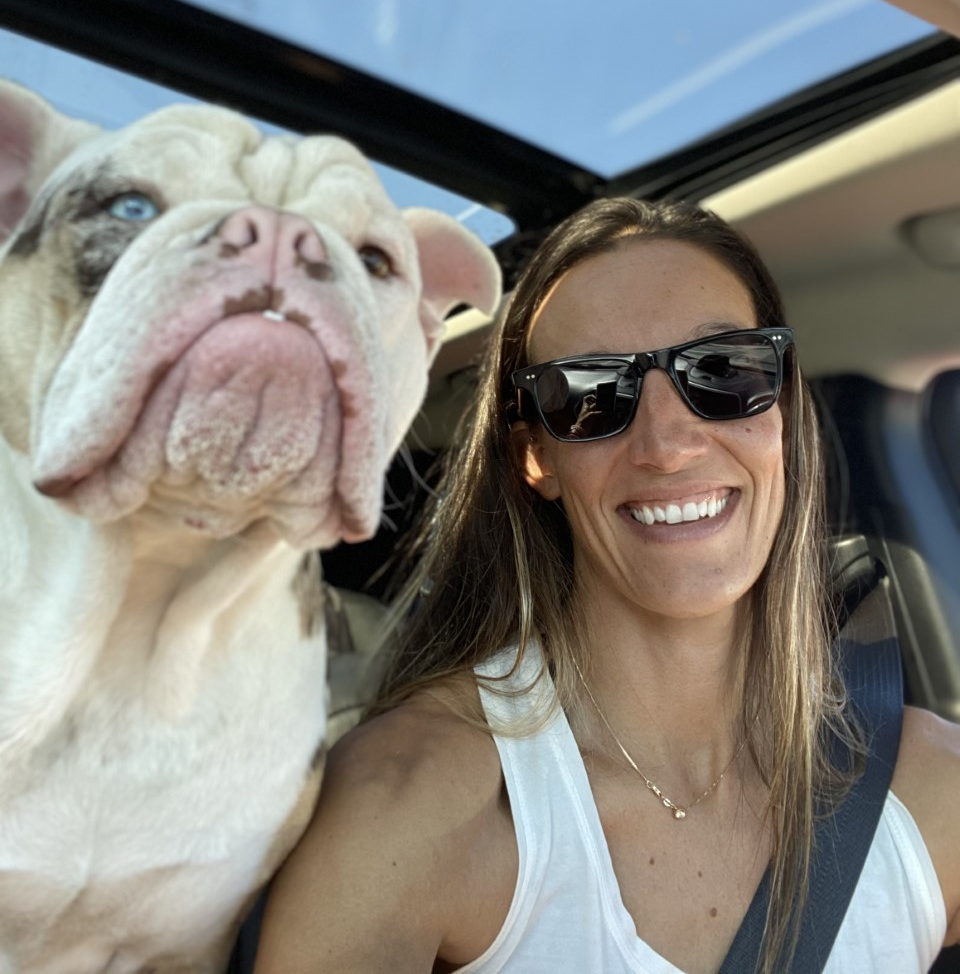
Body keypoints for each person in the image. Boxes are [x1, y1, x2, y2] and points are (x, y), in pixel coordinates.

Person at [253, 198, 960, 973]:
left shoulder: (926, 788)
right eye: (590, 394)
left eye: (722, 371)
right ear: (536, 458)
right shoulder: (414, 806)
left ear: (780, 412)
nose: (666, 444)